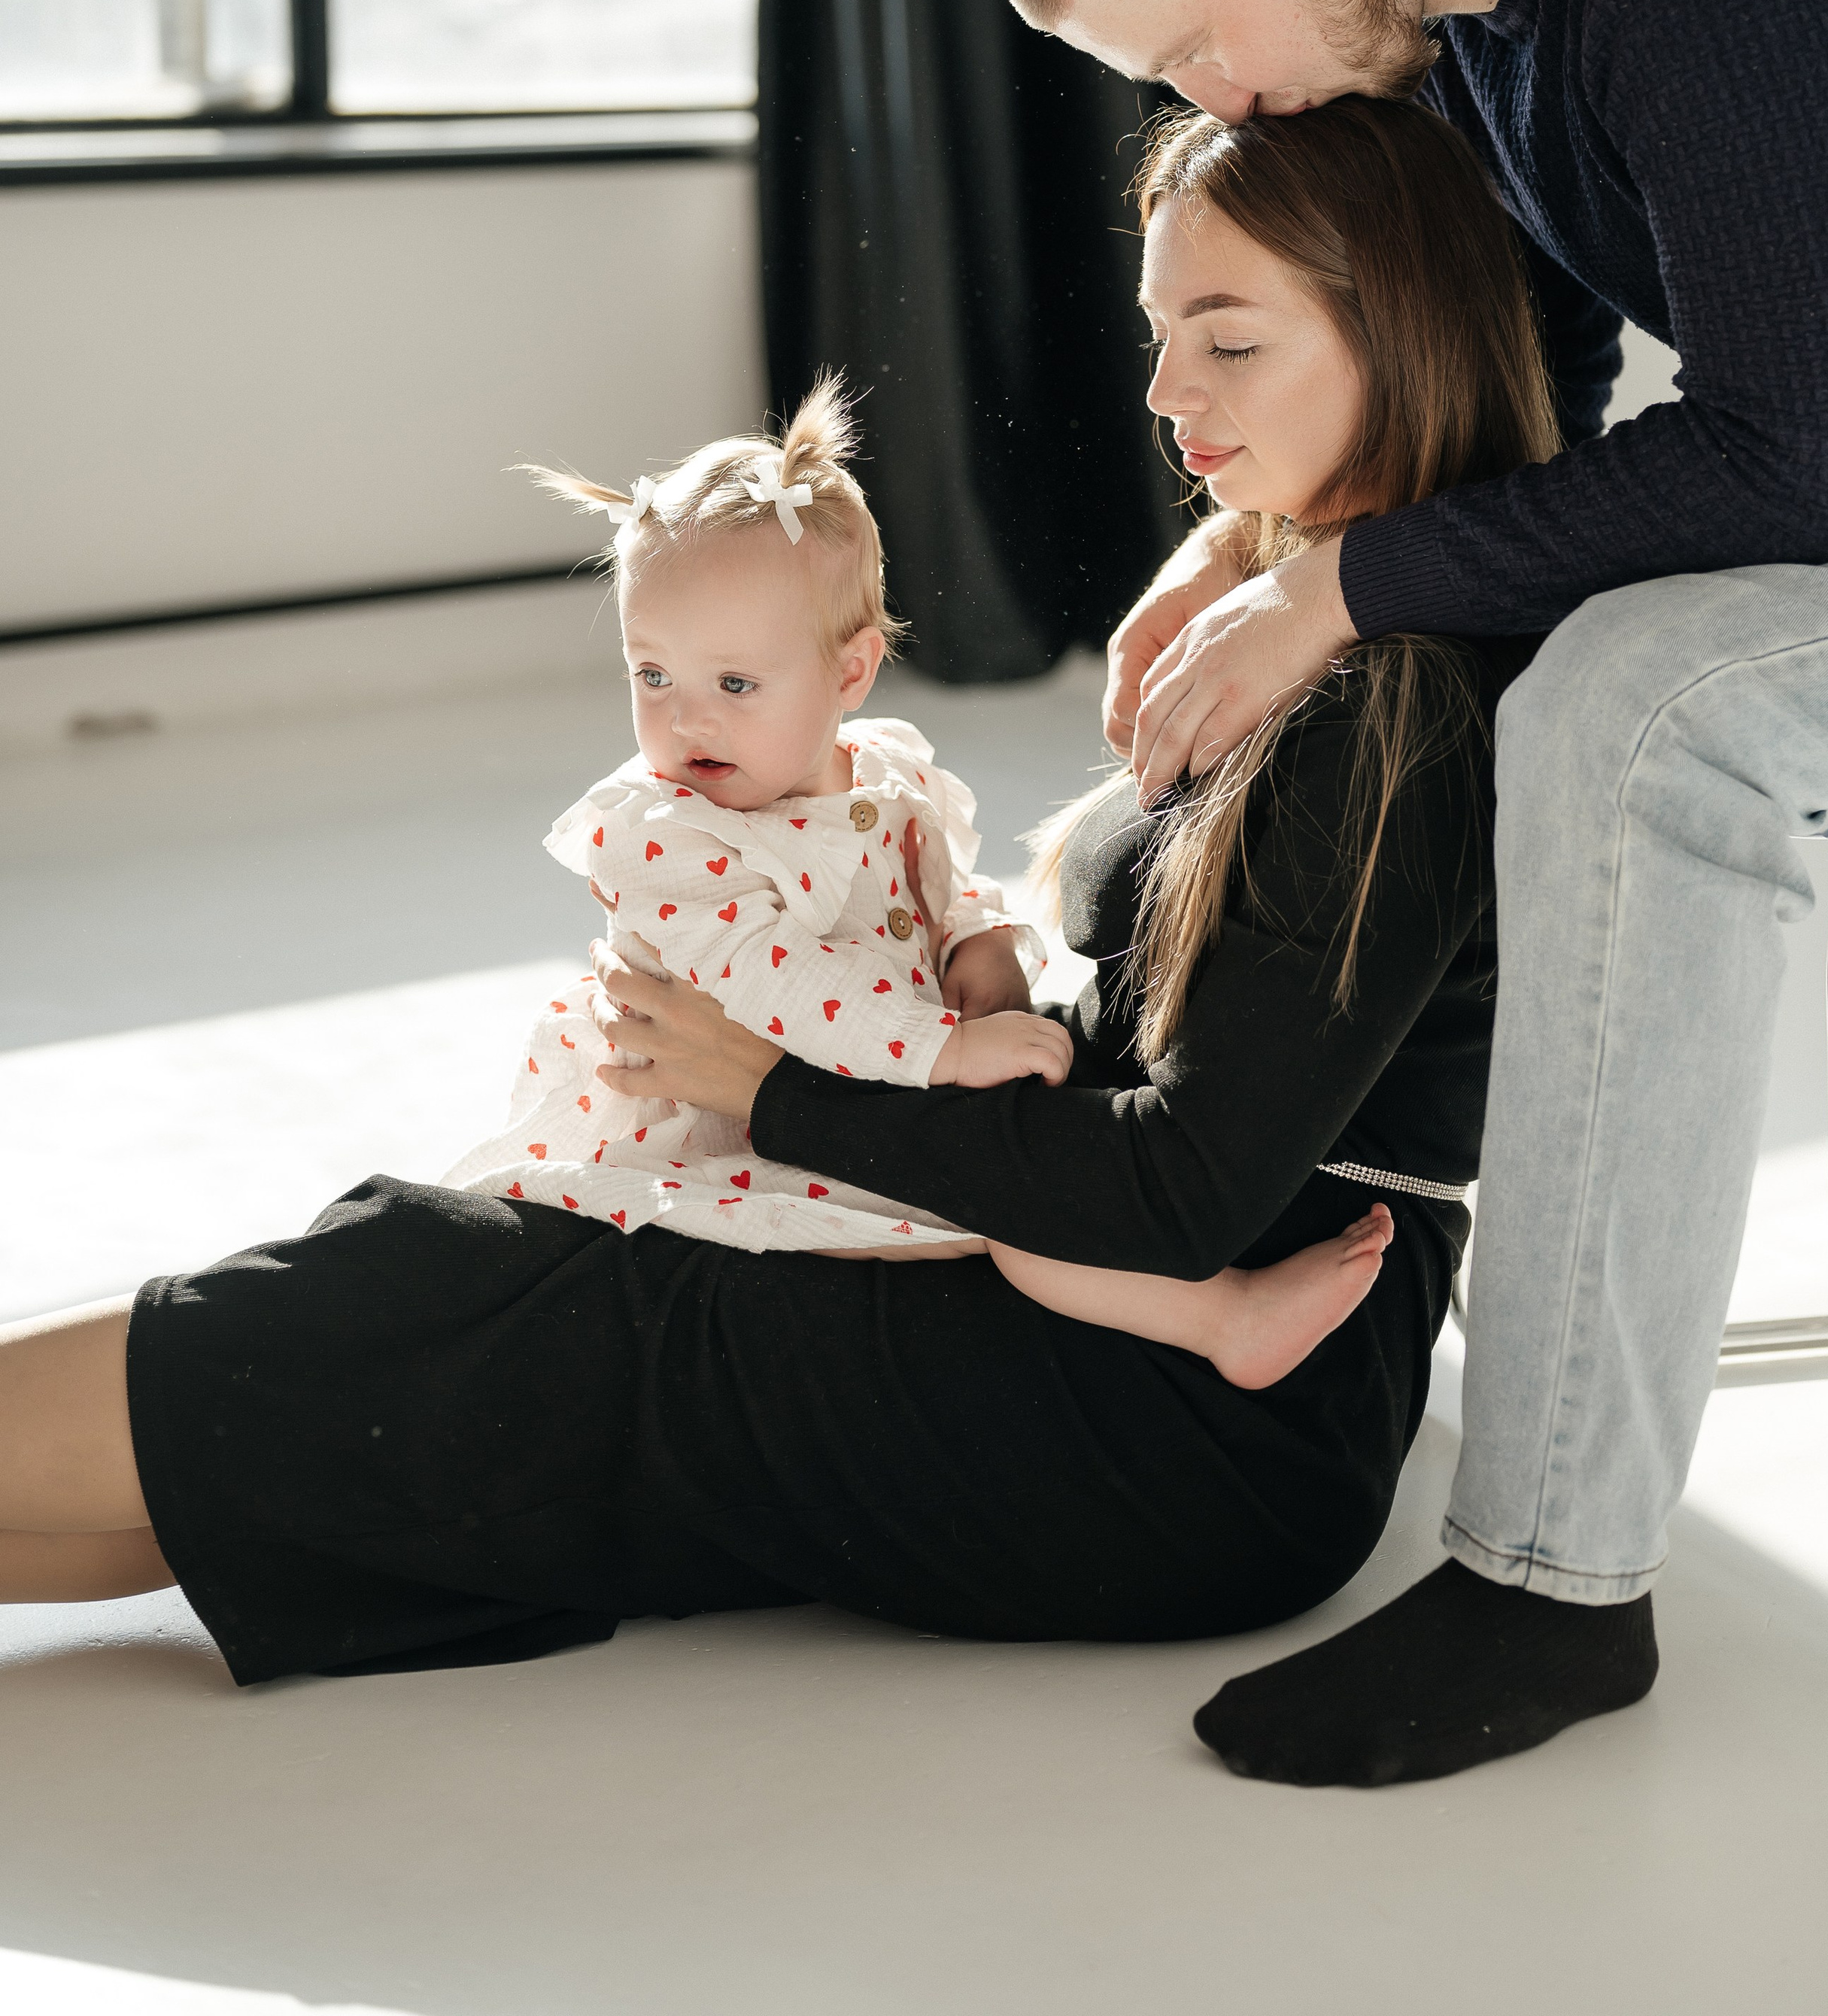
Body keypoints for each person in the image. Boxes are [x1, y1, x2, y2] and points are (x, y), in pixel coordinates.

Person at [0, 98, 1547, 1690]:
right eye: (1159, 333)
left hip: (1185, 1430)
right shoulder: (1310, 609)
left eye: (1227, 344)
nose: (1162, 393)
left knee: (518, 1312)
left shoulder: (1389, 716)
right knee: (468, 1295)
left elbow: (1175, 1193)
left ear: (1396, 335)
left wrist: (768, 1088)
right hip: (1105, 1286)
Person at [976, 0, 1828, 1784]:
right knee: (1537, 645)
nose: (1221, 97)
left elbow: (1808, 462)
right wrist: (1261, 546)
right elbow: (1541, 375)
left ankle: (1552, 1588)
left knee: (1637, 716)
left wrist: (1339, 590)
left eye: (1189, 44)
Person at [442, 377, 1395, 1386]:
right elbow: (775, 986)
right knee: (1018, 1222)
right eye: (652, 676)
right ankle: (1223, 1323)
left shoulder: (888, 772)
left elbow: (941, 883)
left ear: (849, 674)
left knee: (1034, 1183)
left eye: (733, 684)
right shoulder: (665, 834)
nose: (686, 721)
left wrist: (975, 944)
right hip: (728, 1124)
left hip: (870, 1083)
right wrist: (944, 1047)